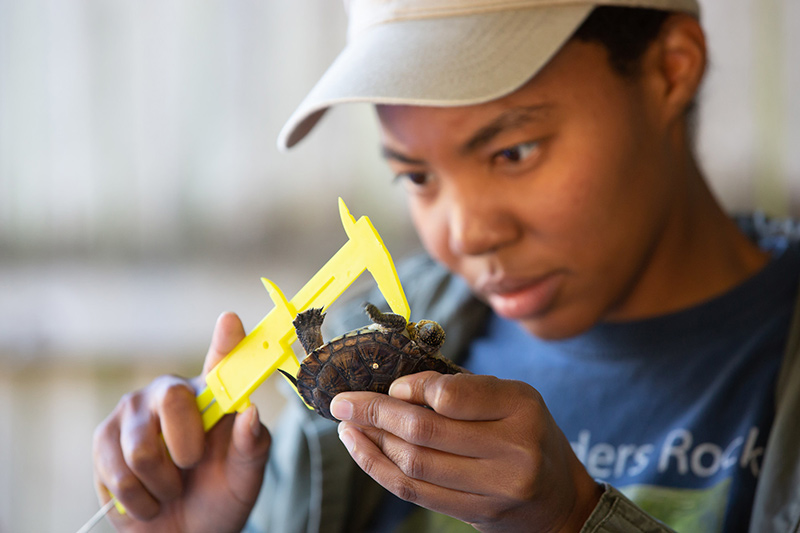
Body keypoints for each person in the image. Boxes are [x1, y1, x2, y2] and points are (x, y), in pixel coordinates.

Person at [91, 0, 800, 531]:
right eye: (417, 176)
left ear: (668, 70)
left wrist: (575, 517)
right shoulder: (365, 342)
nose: (466, 234)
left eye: (513, 152)